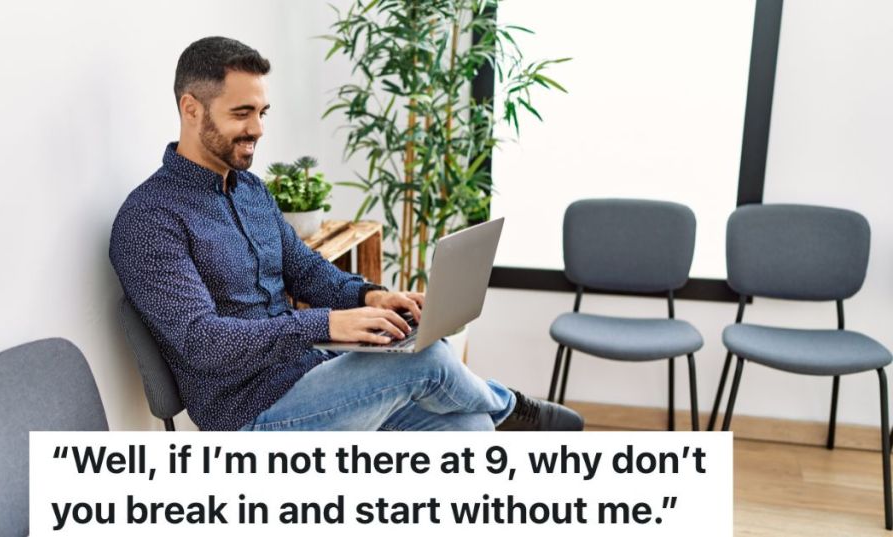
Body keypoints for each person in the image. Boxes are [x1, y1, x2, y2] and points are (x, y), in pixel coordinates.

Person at [108, 36, 583, 432]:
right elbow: (202, 342)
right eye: (241, 113)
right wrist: (328, 324)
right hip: (248, 419)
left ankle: (491, 424)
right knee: (428, 360)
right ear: (191, 109)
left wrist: (372, 297)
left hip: (312, 379)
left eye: (262, 112)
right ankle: (516, 412)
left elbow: (309, 273)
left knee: (465, 427)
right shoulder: (150, 219)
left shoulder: (252, 190)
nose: (257, 128)